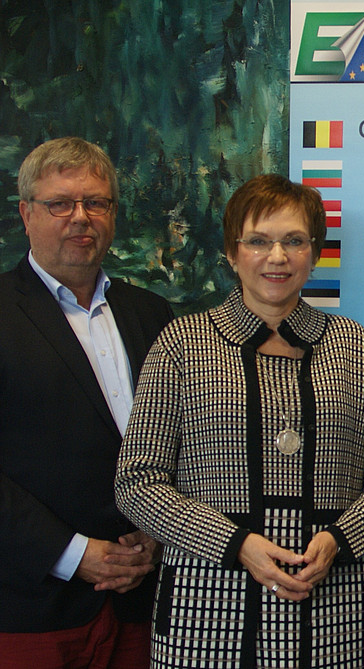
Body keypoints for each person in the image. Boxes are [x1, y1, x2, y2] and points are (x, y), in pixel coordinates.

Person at [115, 173, 364, 668]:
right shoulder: (181, 345)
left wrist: (339, 541)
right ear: (231, 254)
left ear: (314, 253)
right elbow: (136, 482)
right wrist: (235, 544)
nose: (277, 257)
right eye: (258, 241)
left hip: (332, 619)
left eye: (294, 241)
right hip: (207, 618)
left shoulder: (354, 347)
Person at [0, 137, 174, 667]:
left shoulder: (154, 315)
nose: (81, 217)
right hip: (34, 607)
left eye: (96, 202)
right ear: (27, 214)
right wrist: (73, 554)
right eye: (60, 204)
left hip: (145, 602)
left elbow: (187, 442)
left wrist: (159, 531)